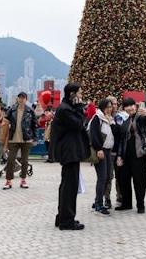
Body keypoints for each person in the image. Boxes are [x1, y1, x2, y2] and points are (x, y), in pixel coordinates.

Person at [51, 82, 89, 230]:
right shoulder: (65, 110)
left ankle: (62, 217)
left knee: (67, 185)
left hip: (71, 151)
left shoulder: (66, 108)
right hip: (69, 151)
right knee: (69, 187)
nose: (81, 96)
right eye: (79, 93)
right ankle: (67, 220)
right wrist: (80, 108)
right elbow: (79, 124)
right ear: (72, 94)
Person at [115, 98, 146, 213]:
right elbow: (122, 140)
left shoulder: (140, 117)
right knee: (123, 179)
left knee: (139, 180)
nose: (129, 108)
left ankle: (140, 205)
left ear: (135, 106)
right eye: (126, 106)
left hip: (139, 154)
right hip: (127, 154)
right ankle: (126, 203)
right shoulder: (125, 121)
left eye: (131, 105)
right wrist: (119, 155)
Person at [4, 91, 38, 189]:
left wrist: (35, 138)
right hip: (13, 139)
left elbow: (34, 125)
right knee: (10, 160)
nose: (21, 99)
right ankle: (8, 180)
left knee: (25, 161)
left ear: (26, 99)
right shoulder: (12, 109)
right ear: (17, 99)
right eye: (19, 98)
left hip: (26, 139)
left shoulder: (30, 111)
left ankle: (23, 179)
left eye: (23, 98)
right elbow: (6, 122)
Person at [89, 98, 114, 216]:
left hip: (108, 150)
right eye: (108, 107)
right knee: (102, 177)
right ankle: (99, 204)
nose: (110, 109)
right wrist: (99, 148)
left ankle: (97, 201)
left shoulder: (109, 119)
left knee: (108, 176)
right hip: (101, 150)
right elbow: (94, 135)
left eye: (111, 107)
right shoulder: (97, 118)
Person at [105, 96, 123, 208]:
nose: (114, 106)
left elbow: (119, 132)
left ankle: (120, 195)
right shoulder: (102, 118)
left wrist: (112, 123)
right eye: (112, 104)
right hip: (108, 152)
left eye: (116, 104)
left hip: (118, 151)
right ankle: (106, 198)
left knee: (120, 175)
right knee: (108, 176)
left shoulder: (119, 118)